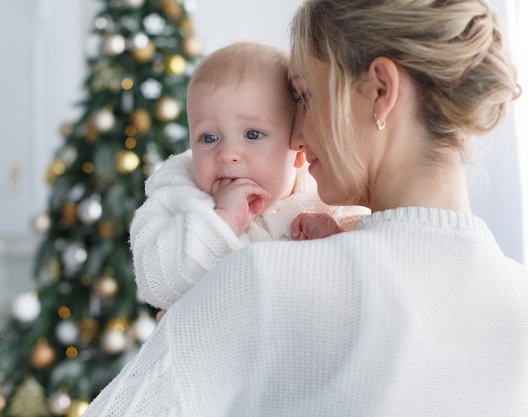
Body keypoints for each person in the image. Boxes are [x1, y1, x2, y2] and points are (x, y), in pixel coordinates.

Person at [83, 1, 528, 416]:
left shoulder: (264, 281)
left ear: (380, 90)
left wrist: (200, 320)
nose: (295, 137)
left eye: (306, 96)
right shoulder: (518, 304)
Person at [130, 40, 368, 311]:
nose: (227, 153)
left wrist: (334, 246)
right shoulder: (177, 198)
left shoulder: (327, 200)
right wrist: (222, 220)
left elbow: (351, 300)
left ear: (299, 148)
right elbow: (158, 284)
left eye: (253, 134)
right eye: (208, 137)